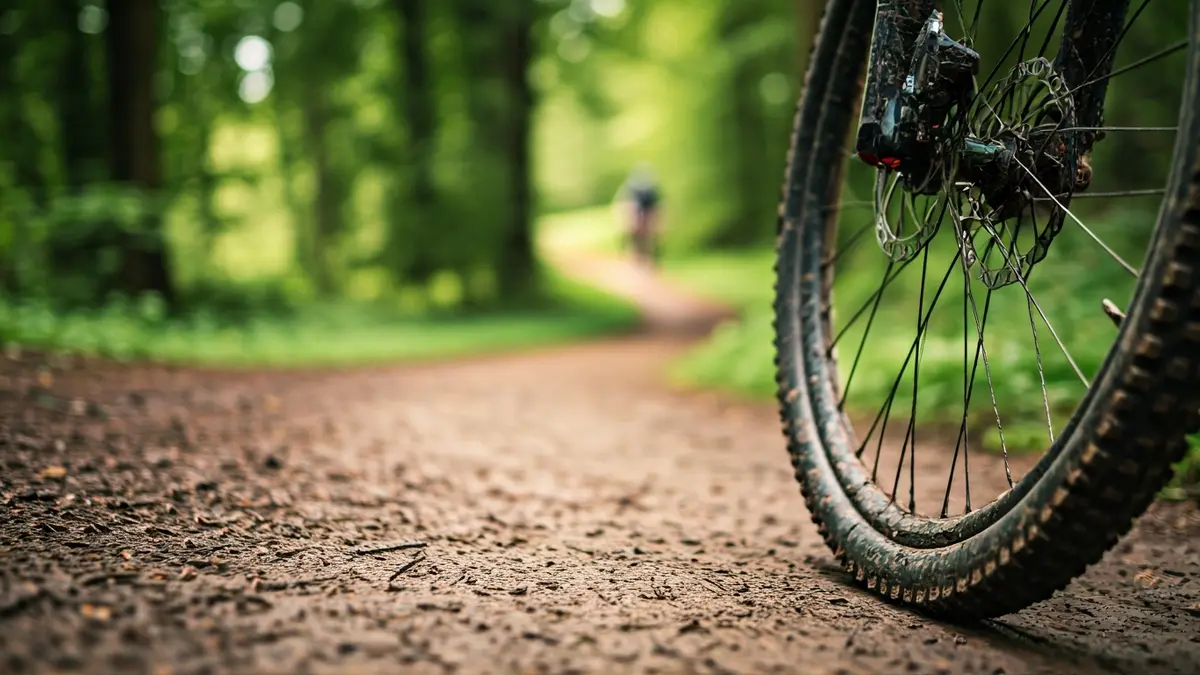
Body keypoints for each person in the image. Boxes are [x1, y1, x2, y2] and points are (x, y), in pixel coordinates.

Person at [620, 164, 662, 267]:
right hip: (639, 212)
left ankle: (648, 257)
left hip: (647, 213)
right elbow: (630, 205)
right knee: (634, 232)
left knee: (650, 234)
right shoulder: (633, 189)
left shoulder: (652, 191)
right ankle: (635, 256)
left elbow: (656, 207)